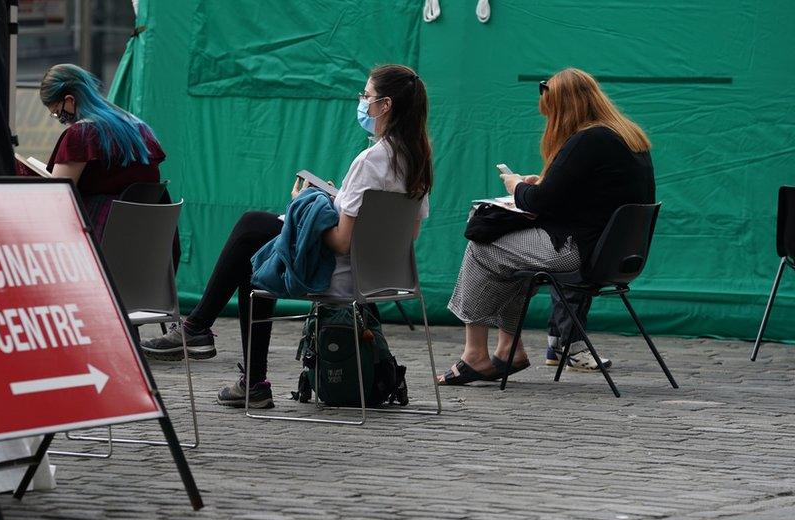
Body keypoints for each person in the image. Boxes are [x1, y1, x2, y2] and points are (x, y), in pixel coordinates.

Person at [141, 64, 433, 409]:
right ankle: (219, 350)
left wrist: (306, 208)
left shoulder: (371, 160)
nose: (361, 102)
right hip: (385, 275)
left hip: (344, 275)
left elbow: (341, 241)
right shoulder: (417, 160)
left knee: (254, 235)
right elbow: (406, 234)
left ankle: (206, 337)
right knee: (258, 244)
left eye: (366, 96)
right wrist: (331, 202)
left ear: (385, 105)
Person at [440, 67, 654, 385]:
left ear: (564, 108)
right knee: (508, 256)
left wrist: (515, 186)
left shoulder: (588, 139)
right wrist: (540, 183)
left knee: (482, 243)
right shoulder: (626, 136)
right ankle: (507, 349)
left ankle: (476, 354)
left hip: (578, 252)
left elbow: (538, 202)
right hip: (615, 256)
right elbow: (592, 193)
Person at [40, 63, 166, 241]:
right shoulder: (141, 128)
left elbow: (58, 197)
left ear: (70, 100)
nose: (61, 120)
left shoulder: (80, 135)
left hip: (98, 243)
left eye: (57, 113)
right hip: (148, 242)